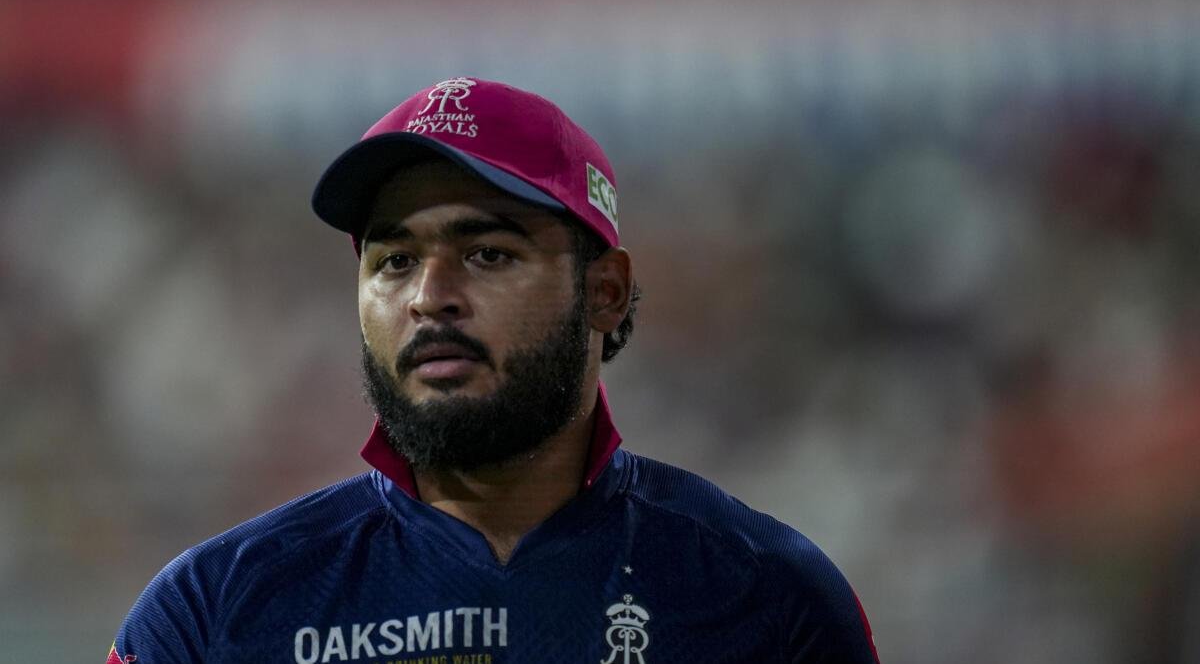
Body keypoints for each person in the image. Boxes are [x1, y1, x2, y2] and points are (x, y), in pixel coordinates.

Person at [108, 77, 880, 664]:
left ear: (605, 292)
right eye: (394, 261)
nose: (429, 296)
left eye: (487, 254)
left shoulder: (769, 596)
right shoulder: (210, 611)